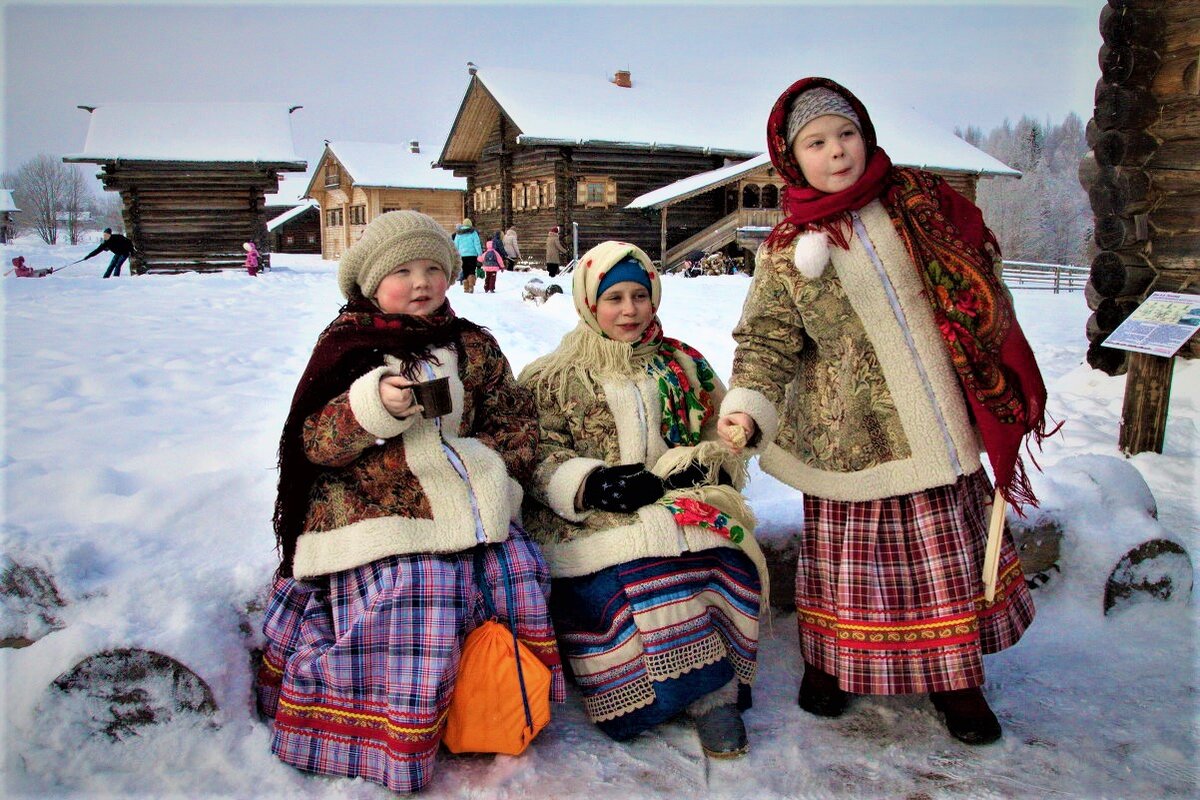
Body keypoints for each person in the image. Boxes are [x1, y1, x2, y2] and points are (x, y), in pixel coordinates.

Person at [717, 78, 1049, 746]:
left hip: (937, 426)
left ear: (865, 135)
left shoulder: (915, 206)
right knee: (847, 573)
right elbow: (766, 339)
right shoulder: (788, 249)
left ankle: (956, 682)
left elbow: (974, 272)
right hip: (850, 437)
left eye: (846, 134)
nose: (836, 151)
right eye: (816, 142)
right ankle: (832, 667)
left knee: (943, 569)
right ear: (791, 157)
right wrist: (747, 406)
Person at [256, 210, 564, 793]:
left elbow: (516, 419)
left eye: (432, 267)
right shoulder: (347, 348)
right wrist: (370, 409)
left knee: (517, 570)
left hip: (471, 505)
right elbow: (313, 442)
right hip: (376, 510)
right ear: (371, 282)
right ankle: (385, 727)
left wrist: (493, 467)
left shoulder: (473, 344)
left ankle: (489, 704)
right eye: (402, 270)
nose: (421, 281)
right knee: (419, 588)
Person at [519, 240, 765, 759]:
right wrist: (589, 482)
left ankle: (714, 694)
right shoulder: (555, 375)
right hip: (591, 518)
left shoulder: (683, 364)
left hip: (680, 502)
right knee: (634, 581)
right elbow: (534, 453)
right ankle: (644, 699)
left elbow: (722, 431)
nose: (629, 310)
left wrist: (706, 462)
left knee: (724, 564)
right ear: (590, 303)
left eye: (639, 295)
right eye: (614, 299)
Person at [452, 217, 482, 291]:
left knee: (465, 270)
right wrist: (480, 254)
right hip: (472, 255)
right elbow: (477, 244)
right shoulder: (473, 233)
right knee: (471, 270)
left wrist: (455, 254)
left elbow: (455, 245)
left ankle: (466, 287)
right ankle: (471, 285)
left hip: (462, 255)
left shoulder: (458, 234)